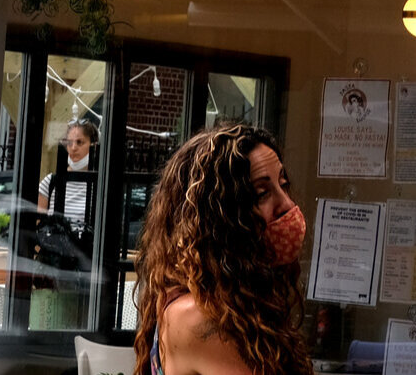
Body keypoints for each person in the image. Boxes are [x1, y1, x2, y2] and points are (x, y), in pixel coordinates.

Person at [132, 122, 309, 375]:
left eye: (283, 184)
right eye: (261, 193)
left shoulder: (234, 301)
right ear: (218, 220)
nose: (287, 204)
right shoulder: (201, 317)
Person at [37, 119, 100, 234]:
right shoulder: (50, 182)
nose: (73, 148)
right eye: (69, 143)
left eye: (79, 142)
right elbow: (37, 224)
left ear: (93, 145)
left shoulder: (100, 185)